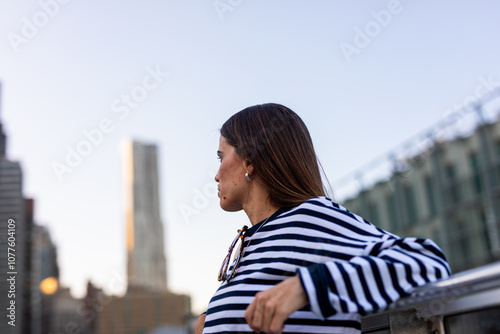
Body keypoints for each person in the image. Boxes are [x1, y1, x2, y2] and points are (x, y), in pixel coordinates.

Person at [195, 103, 450, 334]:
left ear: (249, 160)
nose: (216, 175)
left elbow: (427, 262)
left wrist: (309, 285)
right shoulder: (254, 241)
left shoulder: (309, 218)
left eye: (221, 157)